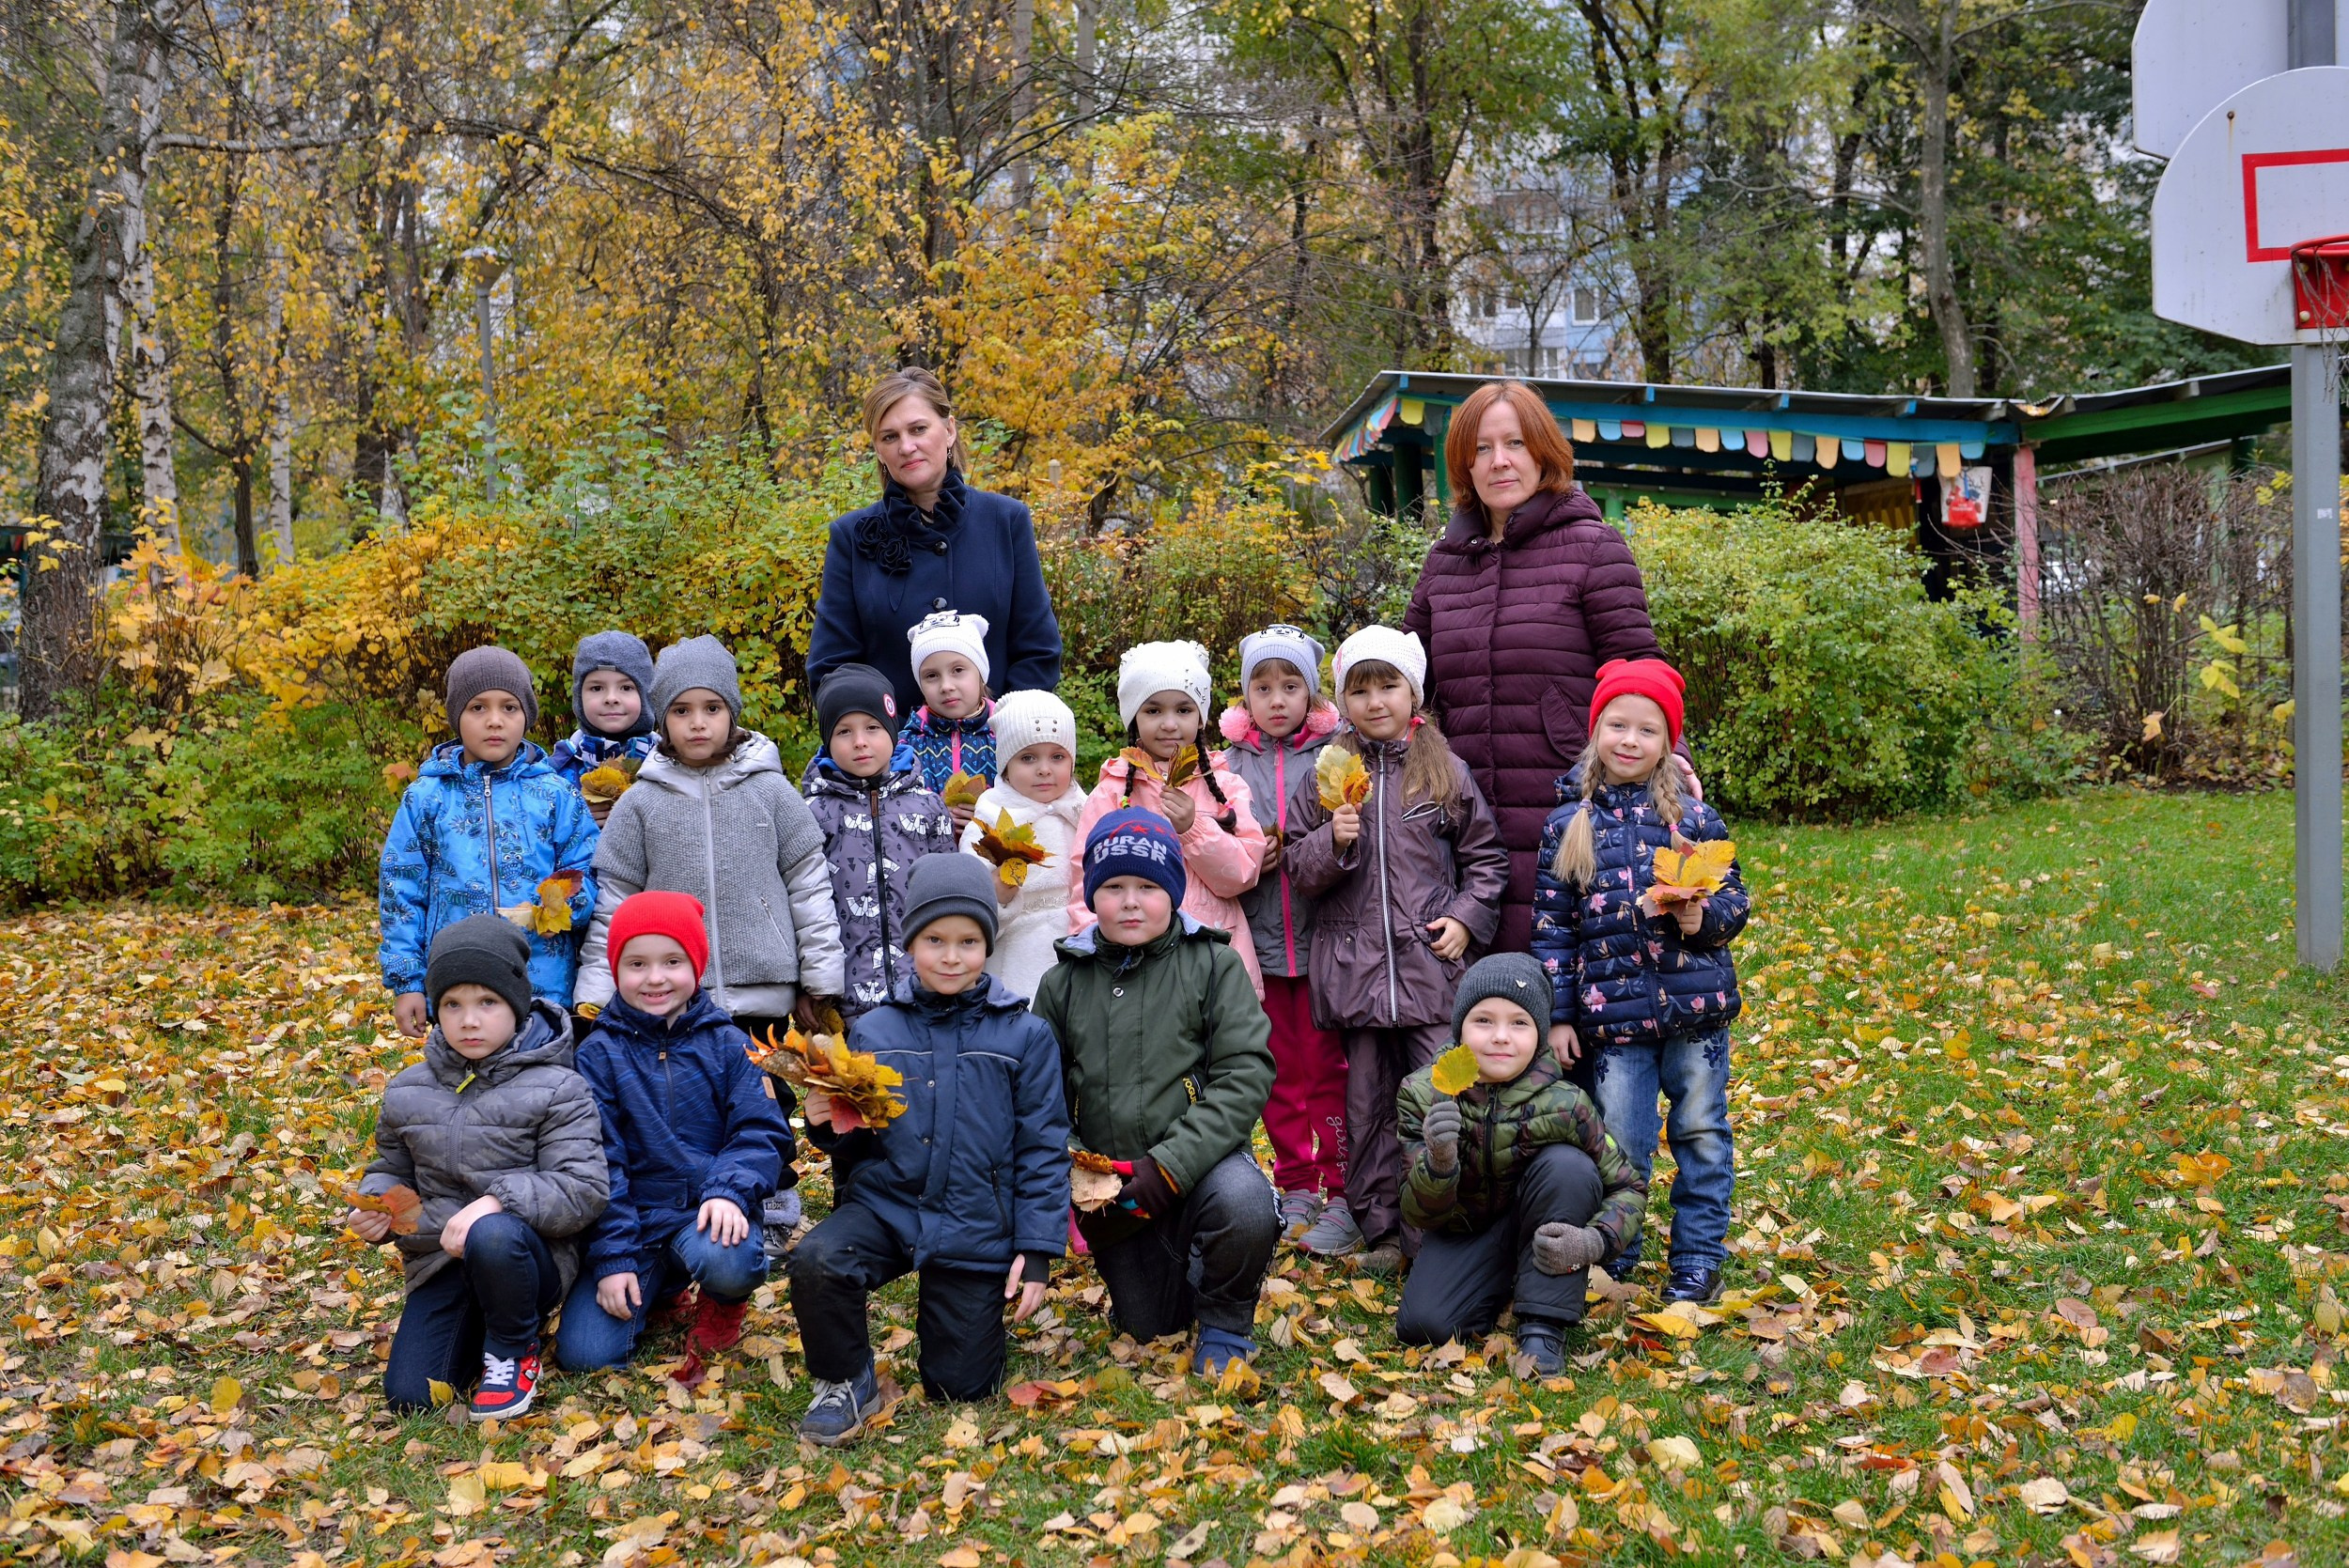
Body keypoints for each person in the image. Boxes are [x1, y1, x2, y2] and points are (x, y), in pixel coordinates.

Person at [788, 857, 1069, 1445]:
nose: (950, 956)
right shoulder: (875, 1031)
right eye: (935, 940)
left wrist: (1038, 1249)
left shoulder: (1024, 1035)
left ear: (987, 946)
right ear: (911, 942)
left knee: (960, 1385)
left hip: (975, 1218)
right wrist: (826, 1124)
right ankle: (846, 1377)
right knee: (819, 1259)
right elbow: (855, 1136)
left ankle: (957, 1336)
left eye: (968, 942)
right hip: (890, 1207)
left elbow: (1042, 1145)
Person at [1403, 380, 1690, 955]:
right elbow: (1404, 680)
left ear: (1544, 452)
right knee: (1485, 1005)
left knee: (1563, 979)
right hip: (1465, 817)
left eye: (1515, 443)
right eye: (1482, 448)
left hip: (1565, 805)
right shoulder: (1444, 563)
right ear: (1464, 464)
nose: (1499, 461)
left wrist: (1674, 758)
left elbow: (1639, 668)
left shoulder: (1593, 548)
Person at [1282, 627, 1509, 1272]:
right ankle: (1382, 1230)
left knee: (1445, 1097)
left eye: (1388, 685)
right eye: (1360, 689)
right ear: (1343, 699)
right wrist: (1336, 840)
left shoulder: (1443, 768)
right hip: (1355, 977)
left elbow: (1485, 858)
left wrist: (1466, 918)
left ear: (1413, 691)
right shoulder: (1329, 772)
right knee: (1369, 1110)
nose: (1376, 700)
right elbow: (1298, 866)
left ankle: (1442, 1229)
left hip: (1431, 971)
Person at [1532, 659, 1748, 1305]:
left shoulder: (1694, 818)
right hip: (1613, 1021)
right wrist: (1561, 1015)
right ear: (1597, 731)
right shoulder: (1568, 823)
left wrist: (1700, 915)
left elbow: (1736, 902)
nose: (1630, 740)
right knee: (1622, 1145)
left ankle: (1699, 1256)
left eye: (1647, 729)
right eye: (1616, 725)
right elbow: (1553, 932)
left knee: (1702, 1131)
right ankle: (1615, 1256)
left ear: (1668, 740)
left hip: (1697, 1011)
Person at [1033, 810, 1278, 1375]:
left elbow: (1245, 1076)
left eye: (1147, 886)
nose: (1131, 902)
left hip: (1199, 1169)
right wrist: (1075, 1169)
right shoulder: (1062, 982)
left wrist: (1169, 1167)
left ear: (1173, 891)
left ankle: (1226, 1320)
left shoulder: (1213, 964)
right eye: (1113, 887)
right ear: (1093, 896)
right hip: (1113, 1190)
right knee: (1150, 1326)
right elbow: (1036, 1094)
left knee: (1244, 1203)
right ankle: (1178, 1273)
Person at [350, 916, 609, 1420]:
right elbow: (390, 1166)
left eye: (487, 1002)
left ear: (515, 1004)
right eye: (452, 1004)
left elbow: (582, 1189)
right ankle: (479, 1331)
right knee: (413, 1397)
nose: (469, 1021)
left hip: (526, 1256)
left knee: (491, 1234)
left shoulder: (559, 1086)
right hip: (441, 1262)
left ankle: (514, 1347)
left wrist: (496, 1202)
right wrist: (379, 1203)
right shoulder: (409, 1088)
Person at [558, 892, 797, 1371]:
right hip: (636, 1223)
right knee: (586, 1355)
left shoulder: (731, 1044)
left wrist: (729, 1191)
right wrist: (614, 1259)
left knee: (728, 1259)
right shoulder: (597, 1055)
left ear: (696, 965)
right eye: (637, 963)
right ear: (616, 970)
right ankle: (661, 1288)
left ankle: (723, 1300)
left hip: (705, 1212)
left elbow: (762, 1131)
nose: (655, 978)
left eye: (672, 960)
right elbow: (600, 1163)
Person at [572, 635, 847, 1043]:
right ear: (662, 720)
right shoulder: (640, 803)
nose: (698, 722)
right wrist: (595, 995)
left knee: (762, 1103)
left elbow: (808, 886)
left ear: (732, 714)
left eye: (712, 708)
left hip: (762, 1002)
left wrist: (820, 980)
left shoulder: (771, 792)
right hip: (671, 999)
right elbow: (615, 905)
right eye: (681, 710)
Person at [1392, 955, 1646, 1375]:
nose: (1500, 1038)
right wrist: (1438, 1163)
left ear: (1540, 1034)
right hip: (1466, 1229)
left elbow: (1628, 1188)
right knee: (1425, 1325)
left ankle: (1544, 1323)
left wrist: (1594, 1242)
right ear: (1459, 1029)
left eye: (1519, 1023)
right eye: (1484, 1021)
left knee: (1570, 1168)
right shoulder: (1424, 1093)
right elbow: (1417, 1211)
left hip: (1544, 1217)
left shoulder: (1567, 1104)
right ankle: (1501, 1281)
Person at [805, 367, 1062, 722]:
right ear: (878, 450)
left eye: (918, 429)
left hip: (999, 754)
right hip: (890, 763)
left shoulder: (1006, 520)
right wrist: (880, 746)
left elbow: (1038, 651)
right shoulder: (850, 537)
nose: (906, 446)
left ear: (950, 429)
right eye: (890, 437)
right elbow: (832, 668)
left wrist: (1002, 732)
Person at [380, 646, 600, 1037]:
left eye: (509, 708)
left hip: (542, 979)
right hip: (458, 981)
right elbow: (401, 889)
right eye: (478, 708)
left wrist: (565, 908)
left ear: (526, 716)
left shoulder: (555, 794)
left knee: (539, 1085)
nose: (494, 721)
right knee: (466, 1086)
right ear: (457, 718)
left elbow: (586, 868)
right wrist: (408, 982)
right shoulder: (427, 797)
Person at [1217, 626, 1346, 1243]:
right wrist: (1246, 855)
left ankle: (1343, 1181)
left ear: (1311, 693)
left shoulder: (1335, 751)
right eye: (1262, 687)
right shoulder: (1228, 762)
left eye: (1290, 686)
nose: (1276, 699)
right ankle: (1296, 1182)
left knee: (1329, 1069)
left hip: (1324, 940)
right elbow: (1214, 838)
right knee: (1276, 1070)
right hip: (1261, 941)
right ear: (1245, 696)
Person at [1068, 640, 1268, 998]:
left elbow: (1243, 872)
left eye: (1184, 710)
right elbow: (1085, 877)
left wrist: (1194, 829)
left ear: (1201, 716)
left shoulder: (1224, 785)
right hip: (1134, 963)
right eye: (1153, 711)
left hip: (1216, 960)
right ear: (1134, 717)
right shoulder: (1113, 793)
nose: (1170, 724)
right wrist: (1094, 950)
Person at [801, 661, 957, 1021]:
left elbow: (948, 896)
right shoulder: (812, 813)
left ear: (892, 730)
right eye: (844, 732)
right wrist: (806, 983)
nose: (860, 742)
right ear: (827, 739)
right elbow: (801, 905)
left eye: (872, 728)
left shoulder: (928, 806)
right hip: (846, 1001)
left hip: (925, 991)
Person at [957, 689, 1086, 1001]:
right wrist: (999, 893)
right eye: (1028, 758)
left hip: (1078, 956)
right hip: (1013, 957)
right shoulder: (988, 825)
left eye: (1057, 757)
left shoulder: (1085, 813)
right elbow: (970, 912)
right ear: (1005, 765)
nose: (1044, 769)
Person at [549, 630, 661, 822]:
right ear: (579, 696)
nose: (611, 698)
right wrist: (573, 818)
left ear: (646, 695)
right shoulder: (557, 770)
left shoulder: (667, 765)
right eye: (596, 688)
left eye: (626, 688)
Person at [896, 610, 998, 815]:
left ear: (981, 673)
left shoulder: (1005, 735)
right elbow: (895, 807)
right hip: (927, 846)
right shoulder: (906, 746)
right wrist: (937, 816)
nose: (946, 686)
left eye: (958, 670)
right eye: (932, 675)